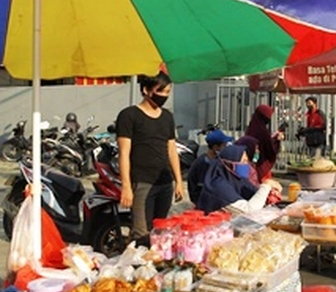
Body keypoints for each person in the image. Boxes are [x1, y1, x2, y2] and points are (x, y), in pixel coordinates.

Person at [116, 71, 184, 241]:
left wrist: (179, 181)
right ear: (146, 90)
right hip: (142, 183)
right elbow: (124, 153)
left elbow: (171, 150)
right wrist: (126, 186)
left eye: (168, 92)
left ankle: (154, 265)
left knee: (160, 232)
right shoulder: (129, 115)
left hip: (164, 183)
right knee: (142, 233)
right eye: (160, 91)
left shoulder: (167, 117)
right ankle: (138, 263)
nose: (164, 96)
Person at [196, 145, 281, 214]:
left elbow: (254, 193)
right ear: (229, 165)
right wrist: (266, 186)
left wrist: (269, 194)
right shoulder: (218, 186)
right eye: (243, 161)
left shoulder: (237, 179)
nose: (246, 165)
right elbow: (248, 211)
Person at [186, 129, 233, 204]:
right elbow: (202, 188)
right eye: (224, 145)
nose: (225, 147)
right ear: (215, 147)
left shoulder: (218, 160)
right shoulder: (202, 163)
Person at [244, 104, 283, 182]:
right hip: (260, 164)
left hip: (251, 162)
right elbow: (270, 149)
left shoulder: (251, 128)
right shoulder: (263, 132)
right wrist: (277, 140)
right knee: (264, 185)